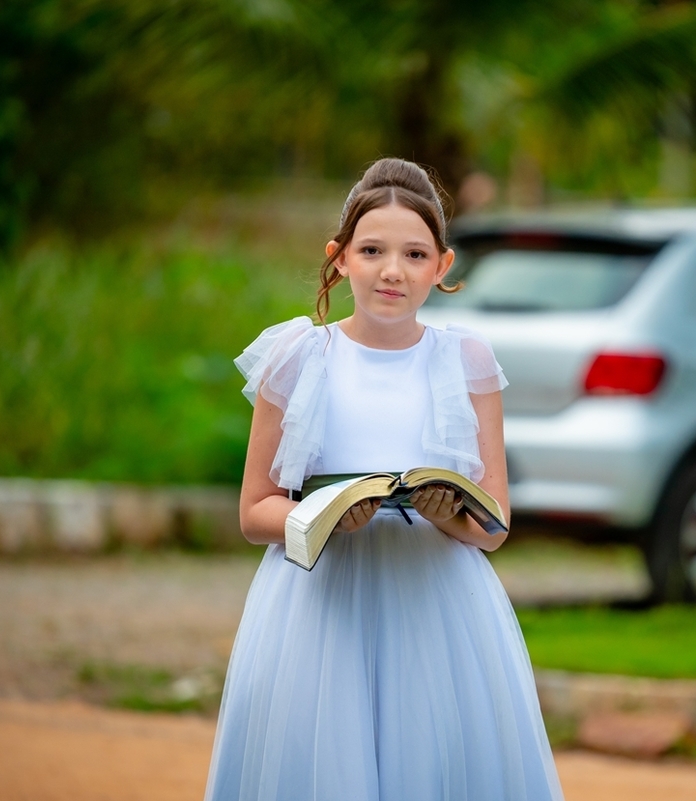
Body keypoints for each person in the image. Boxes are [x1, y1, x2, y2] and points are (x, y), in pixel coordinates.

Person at [204, 158, 565, 801]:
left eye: (414, 254)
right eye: (371, 250)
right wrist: (319, 516)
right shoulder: (298, 357)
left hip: (438, 607)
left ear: (442, 267)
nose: (392, 270)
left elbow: (495, 525)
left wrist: (445, 511)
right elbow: (254, 507)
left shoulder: (467, 360)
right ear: (339, 258)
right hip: (320, 608)